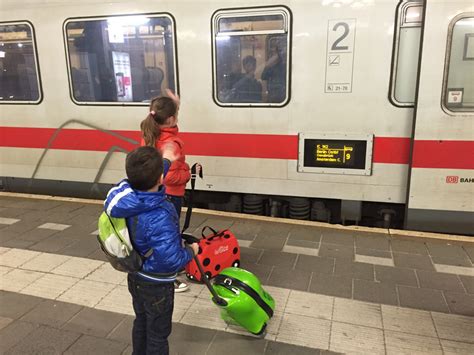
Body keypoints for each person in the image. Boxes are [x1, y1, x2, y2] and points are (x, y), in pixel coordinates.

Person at [104, 146, 199, 355]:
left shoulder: (125, 197)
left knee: (141, 321)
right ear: (161, 178)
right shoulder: (160, 214)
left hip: (135, 275)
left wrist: (164, 161)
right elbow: (171, 260)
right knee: (158, 334)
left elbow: (143, 177)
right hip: (157, 283)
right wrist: (192, 251)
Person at [140, 89, 193, 293]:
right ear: (170, 119)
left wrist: (175, 105)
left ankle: (172, 265)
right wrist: (186, 176)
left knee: (162, 233)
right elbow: (166, 175)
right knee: (168, 235)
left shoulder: (150, 134)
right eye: (176, 115)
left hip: (159, 194)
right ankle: (168, 277)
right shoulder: (171, 143)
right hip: (171, 193)